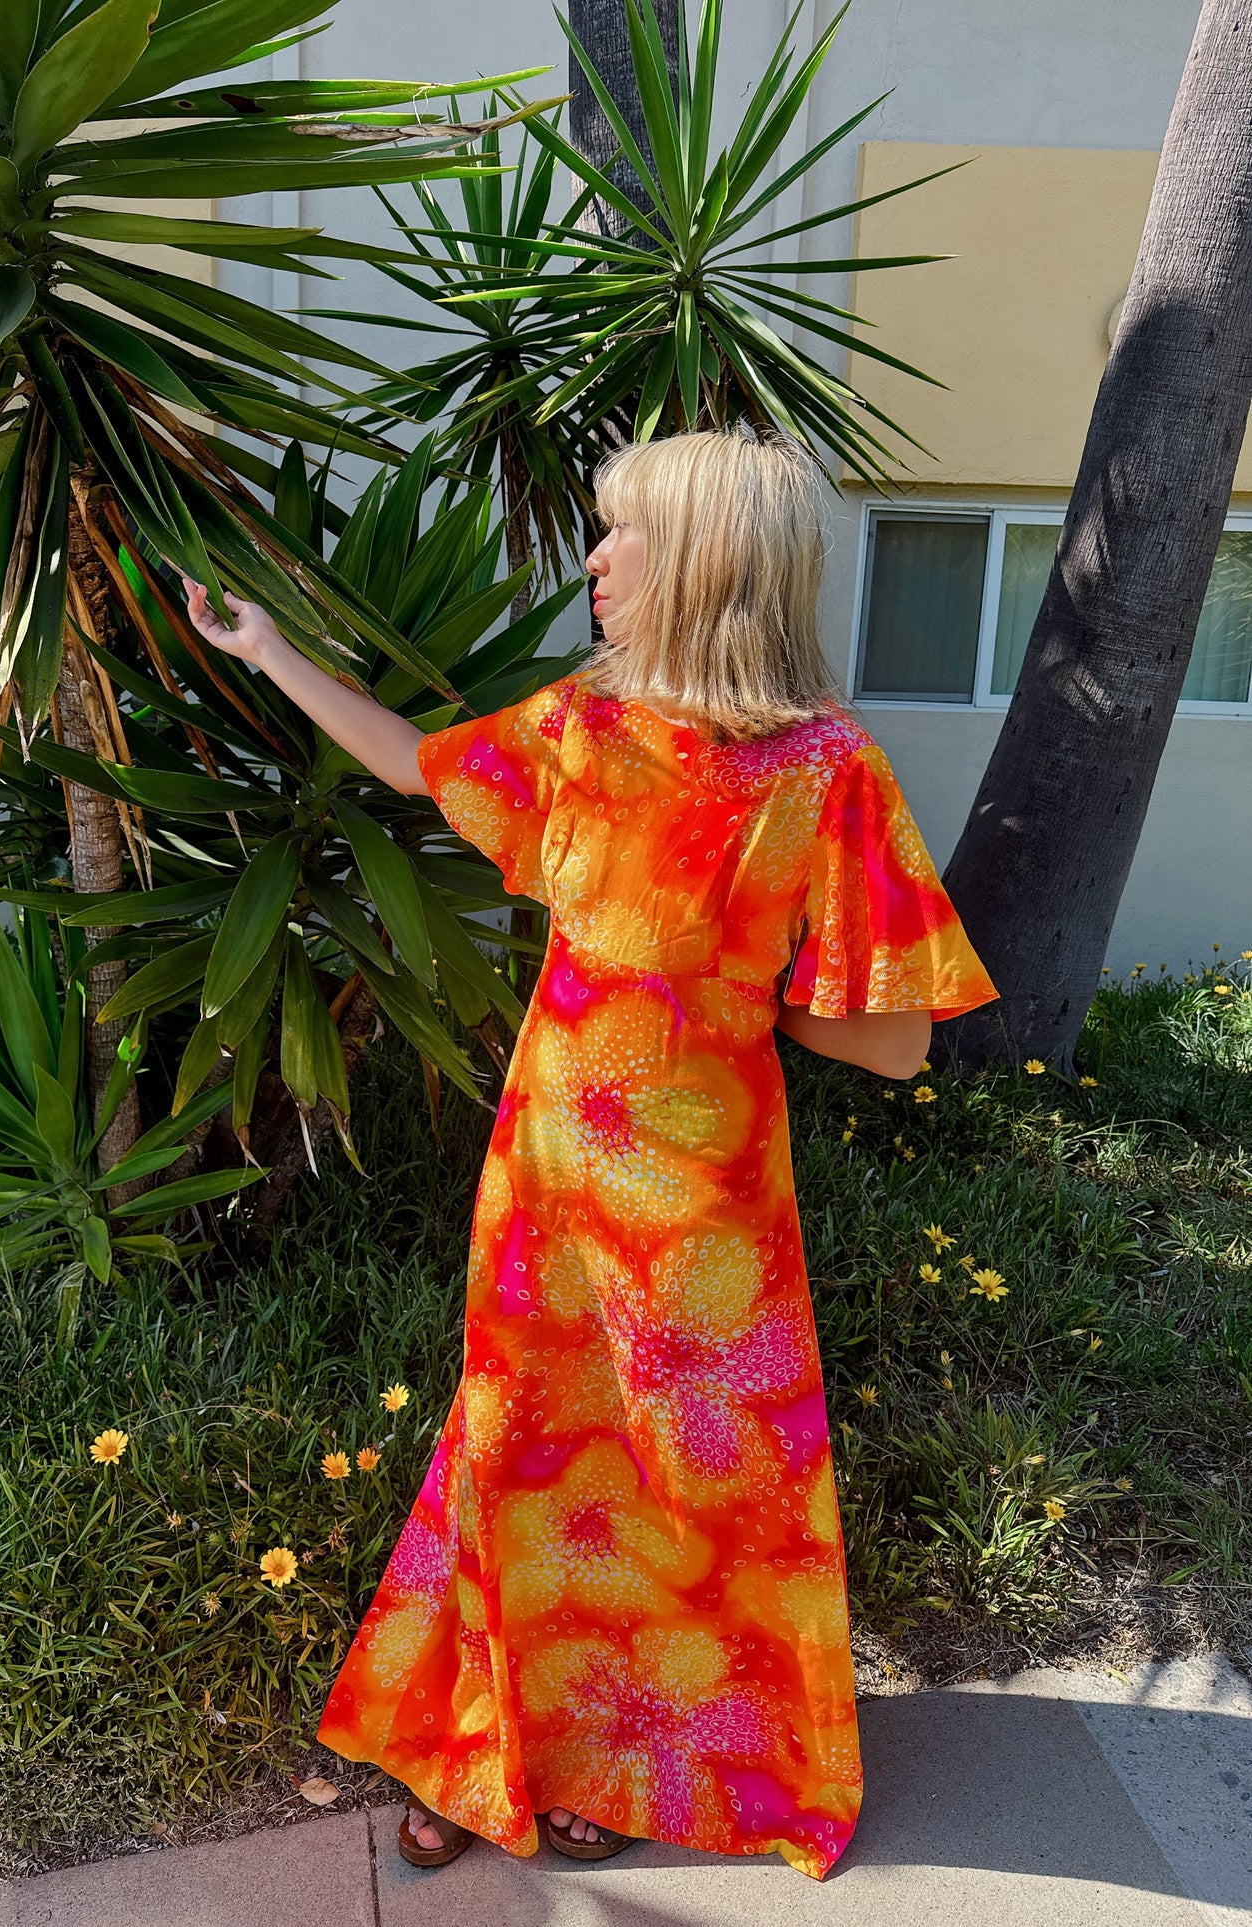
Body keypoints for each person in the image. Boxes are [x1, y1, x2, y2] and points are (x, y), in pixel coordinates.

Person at [183, 426, 999, 1878]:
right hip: (610, 1198)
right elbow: (428, 767)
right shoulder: (644, 736)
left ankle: (594, 1760)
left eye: (622, 536)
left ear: (697, 565)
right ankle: (497, 1749)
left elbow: (896, 1045)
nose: (595, 559)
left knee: (615, 1475)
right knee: (577, 1465)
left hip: (655, 1204)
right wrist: (271, 655)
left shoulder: (807, 767)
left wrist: (725, 999)